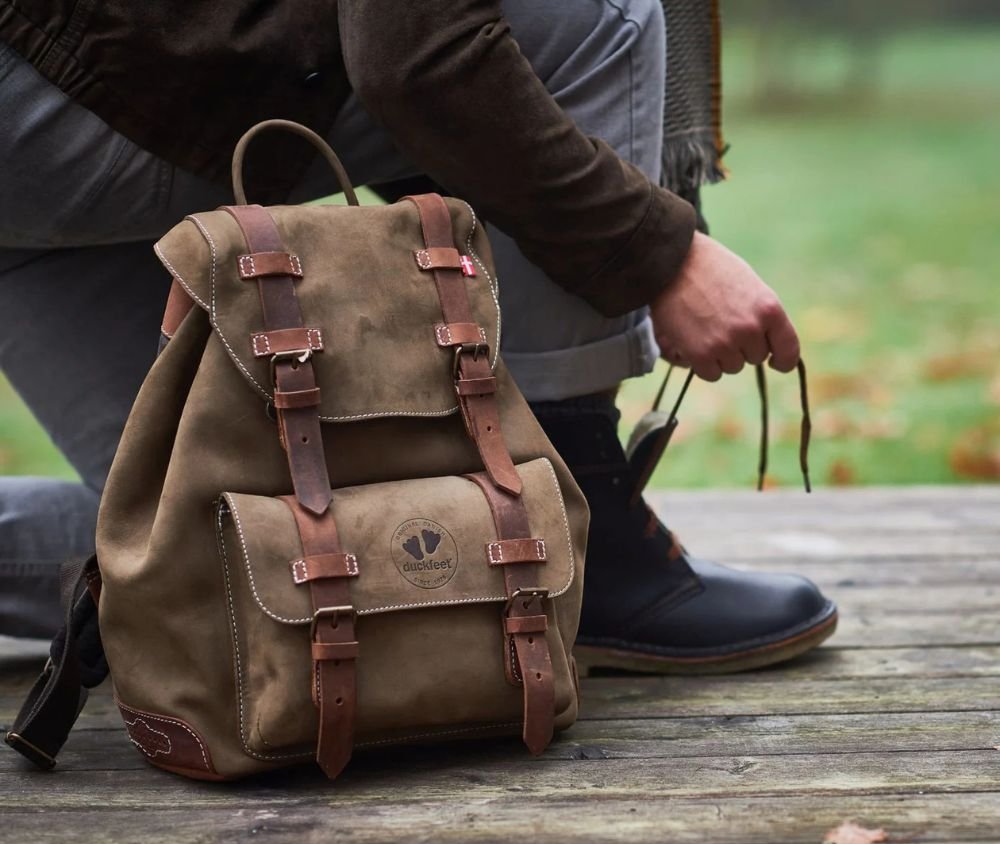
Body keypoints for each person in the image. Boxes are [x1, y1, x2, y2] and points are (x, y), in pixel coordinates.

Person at [0, 0, 837, 669]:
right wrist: (658, 254)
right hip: (69, 99)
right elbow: (418, 58)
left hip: (40, 143)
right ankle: (576, 534)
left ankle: (519, 536)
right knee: (586, 16)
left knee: (274, 550)